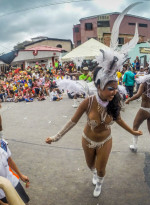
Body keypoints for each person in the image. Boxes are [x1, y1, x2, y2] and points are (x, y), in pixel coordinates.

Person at [46, 66, 142, 197]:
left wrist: (132, 132)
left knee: (101, 169)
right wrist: (55, 137)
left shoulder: (114, 102)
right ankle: (95, 174)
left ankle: (99, 183)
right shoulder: (88, 102)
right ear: (98, 86)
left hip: (105, 140)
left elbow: (118, 119)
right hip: (88, 140)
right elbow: (72, 122)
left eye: (116, 88)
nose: (114, 92)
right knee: (91, 165)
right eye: (110, 89)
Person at [125, 67, 150, 153]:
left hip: (144, 108)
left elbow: (138, 95)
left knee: (135, 126)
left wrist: (129, 99)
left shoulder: (144, 83)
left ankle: (134, 146)